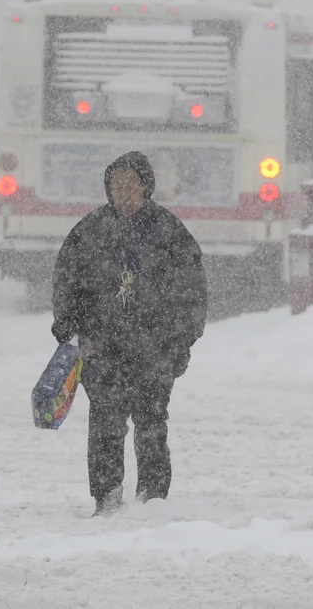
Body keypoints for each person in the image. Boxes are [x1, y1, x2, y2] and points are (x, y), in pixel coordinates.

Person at [51, 151, 208, 516]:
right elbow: (66, 284)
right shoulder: (88, 232)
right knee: (105, 421)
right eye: (117, 184)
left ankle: (152, 498)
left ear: (146, 187)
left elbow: (192, 292)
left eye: (132, 184)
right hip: (102, 349)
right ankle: (106, 497)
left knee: (152, 421)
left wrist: (180, 341)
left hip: (156, 349)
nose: (124, 191)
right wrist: (71, 331)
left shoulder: (169, 232)